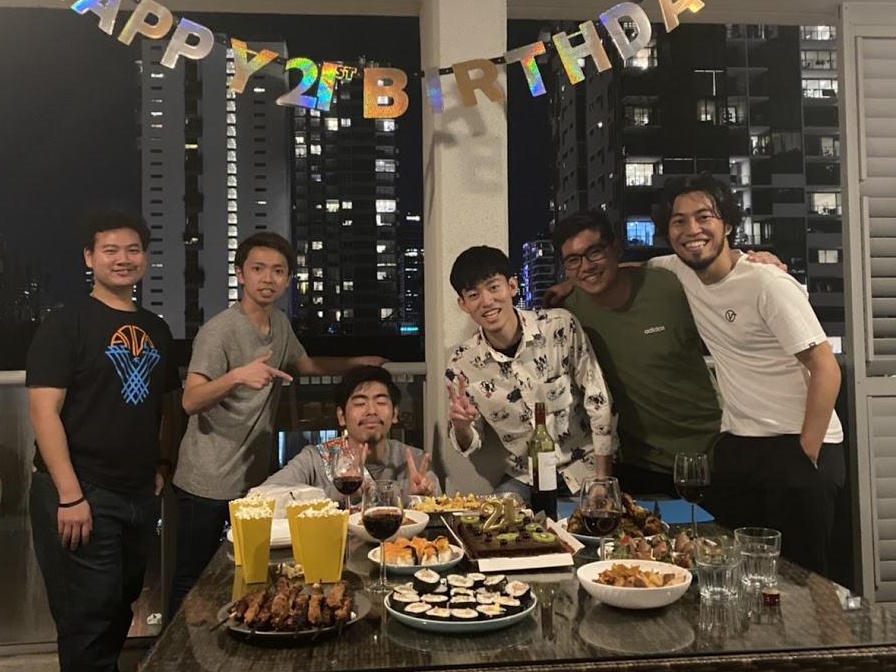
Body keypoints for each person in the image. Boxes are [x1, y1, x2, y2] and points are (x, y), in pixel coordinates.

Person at [169, 231, 386, 618]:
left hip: (253, 482)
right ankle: (173, 656)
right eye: (258, 269)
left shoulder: (279, 324)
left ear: (287, 280)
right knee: (194, 578)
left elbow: (305, 366)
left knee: (248, 575)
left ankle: (231, 646)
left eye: (278, 271)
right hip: (205, 480)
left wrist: (359, 364)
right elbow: (190, 400)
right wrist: (237, 376)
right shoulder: (219, 330)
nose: (267, 278)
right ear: (240, 274)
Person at [26, 208, 180, 672]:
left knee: (119, 606)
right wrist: (70, 496)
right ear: (89, 258)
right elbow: (44, 413)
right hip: (81, 490)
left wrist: (161, 463)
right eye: (110, 250)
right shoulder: (65, 323)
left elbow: (166, 406)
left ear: (145, 258)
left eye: (132, 249)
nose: (123, 258)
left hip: (137, 491)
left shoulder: (156, 328)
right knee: (88, 616)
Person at [651, 174, 845, 578]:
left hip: (799, 442)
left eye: (704, 217)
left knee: (806, 580)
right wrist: (567, 285)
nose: (691, 230)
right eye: (678, 221)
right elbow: (632, 269)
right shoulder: (679, 269)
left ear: (728, 224)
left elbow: (826, 367)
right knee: (730, 568)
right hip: (739, 444)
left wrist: (804, 455)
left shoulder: (767, 282)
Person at [550, 210, 722, 497]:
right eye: (573, 260)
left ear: (616, 249)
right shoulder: (568, 313)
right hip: (639, 465)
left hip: (711, 452)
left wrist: (756, 262)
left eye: (595, 252)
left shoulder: (668, 286)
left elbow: (723, 284)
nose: (586, 266)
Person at [445, 245, 615, 500]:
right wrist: (461, 427)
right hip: (525, 476)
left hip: (583, 468)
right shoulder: (461, 363)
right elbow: (469, 443)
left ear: (512, 286)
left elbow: (598, 401)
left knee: (594, 521)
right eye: (474, 295)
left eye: (494, 287)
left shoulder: (559, 326)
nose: (487, 301)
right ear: (463, 304)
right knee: (492, 520)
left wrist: (602, 480)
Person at [253, 365, 439, 503]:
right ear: (341, 416)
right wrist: (339, 494)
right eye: (360, 403)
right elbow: (259, 497)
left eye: (381, 402)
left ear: (395, 414)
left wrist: (422, 500)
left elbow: (438, 513)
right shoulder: (315, 460)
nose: (371, 410)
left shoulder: (414, 461)